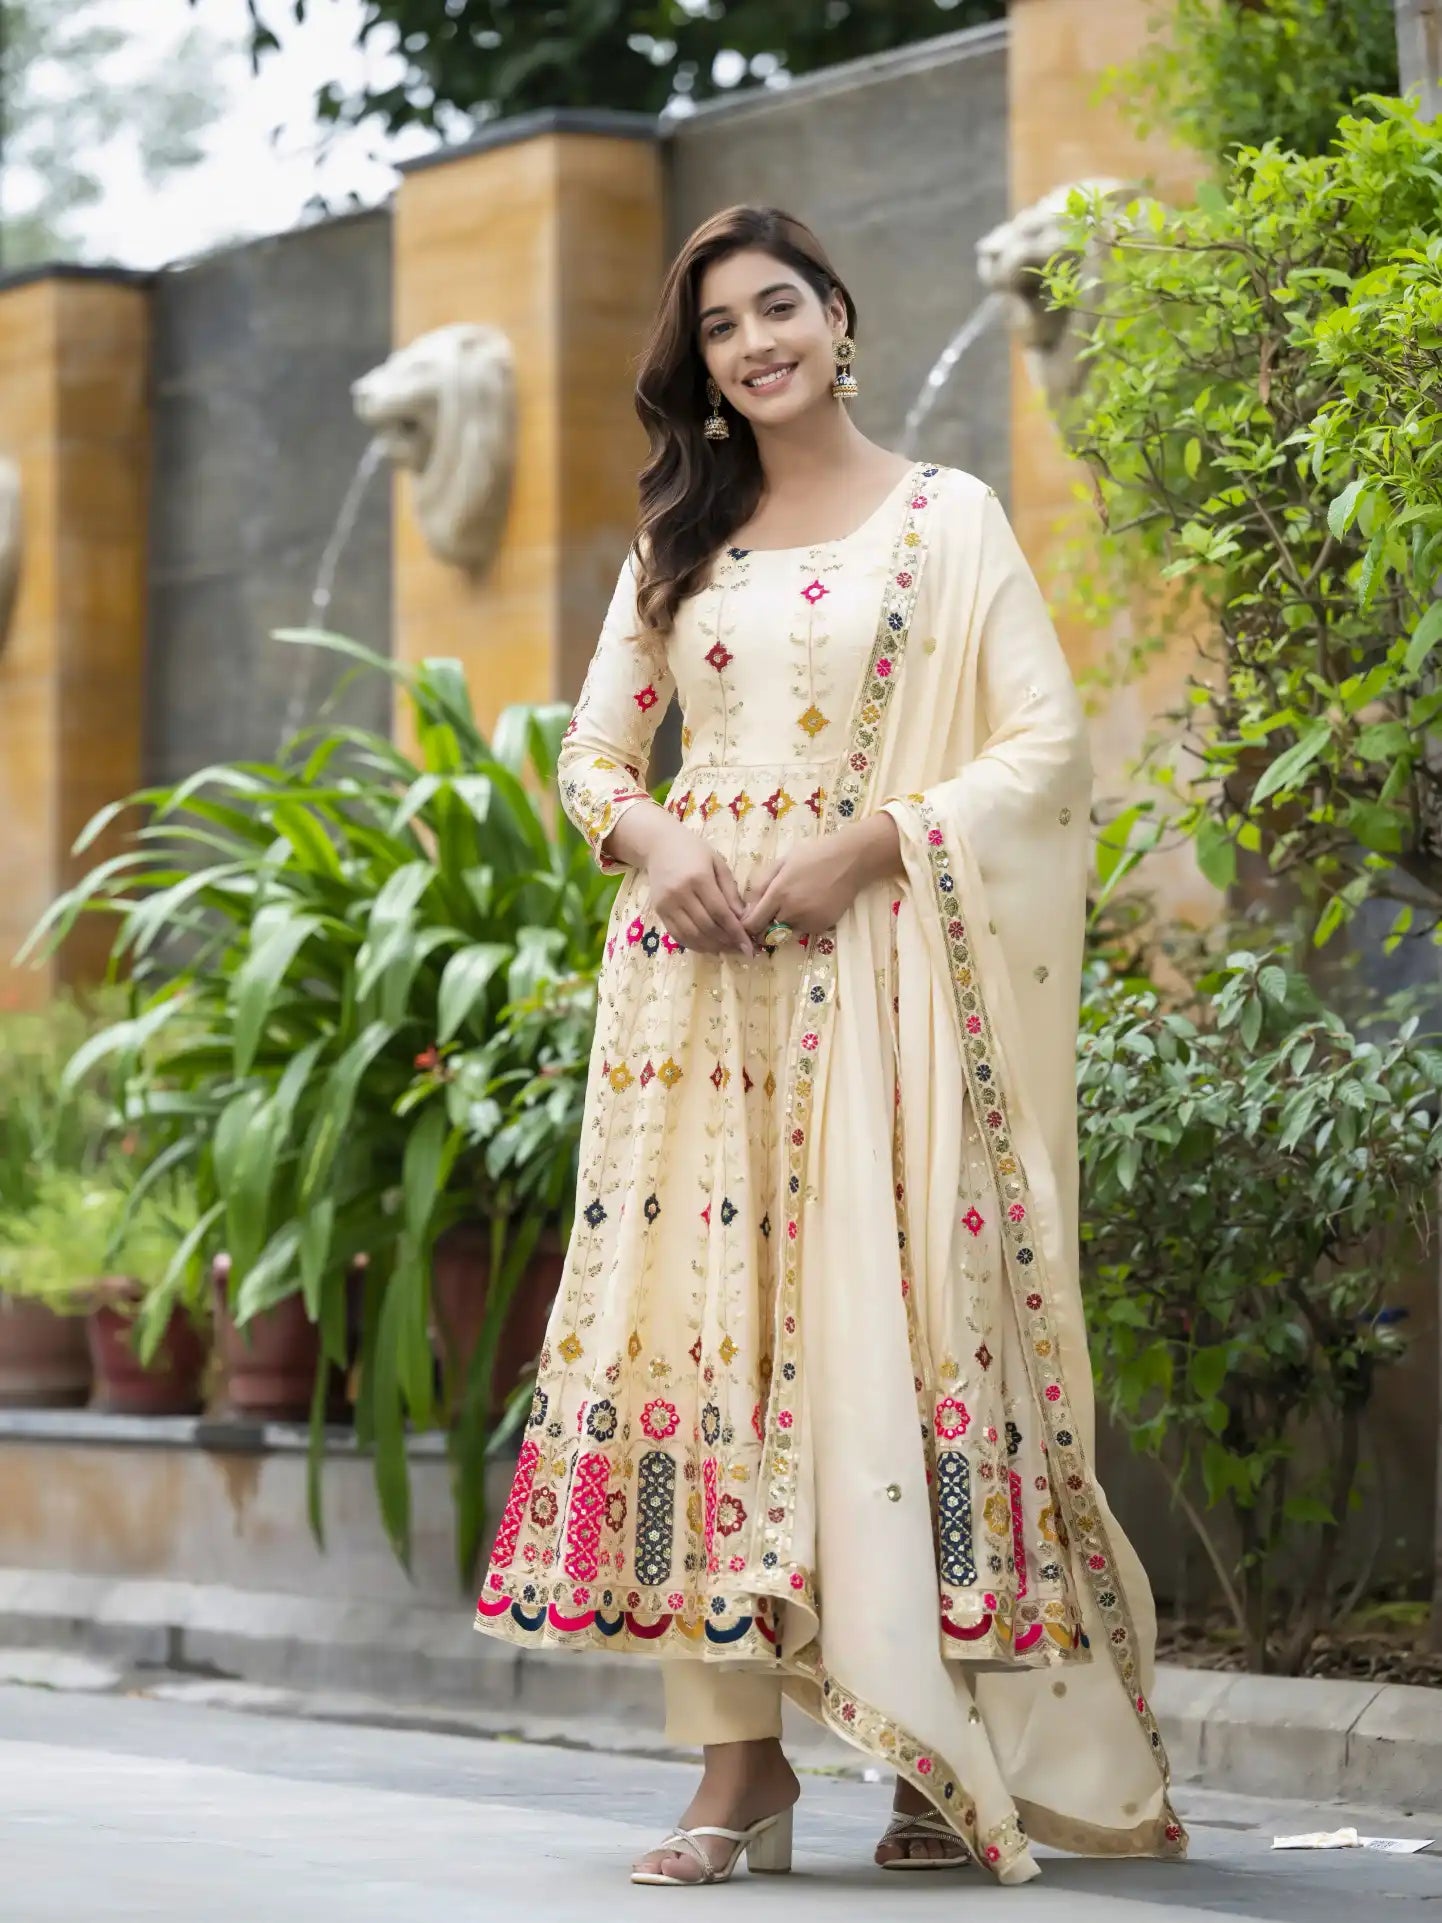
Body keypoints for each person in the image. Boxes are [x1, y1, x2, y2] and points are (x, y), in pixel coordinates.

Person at [474, 204, 1186, 1888]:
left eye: (776, 306)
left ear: (839, 316)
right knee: (700, 1350)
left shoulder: (947, 518)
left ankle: (935, 1753)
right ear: (700, 366)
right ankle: (738, 1772)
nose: (753, 344)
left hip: (884, 975)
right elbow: (591, 757)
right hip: (696, 996)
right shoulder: (678, 541)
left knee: (908, 1334)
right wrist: (654, 840)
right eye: (719, 327)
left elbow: (1042, 747)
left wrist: (872, 845)